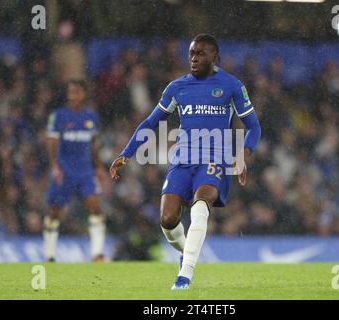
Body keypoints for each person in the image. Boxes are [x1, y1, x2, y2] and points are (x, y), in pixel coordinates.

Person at [109, 34, 261, 289]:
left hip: (214, 160)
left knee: (201, 206)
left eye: (200, 53)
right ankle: (185, 253)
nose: (194, 58)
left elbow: (253, 126)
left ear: (215, 57)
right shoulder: (177, 88)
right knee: (168, 220)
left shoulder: (232, 85)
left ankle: (185, 276)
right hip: (182, 160)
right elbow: (150, 123)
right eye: (191, 53)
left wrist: (243, 154)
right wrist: (126, 152)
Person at [44, 80, 106, 262]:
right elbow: (52, 142)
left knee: (95, 207)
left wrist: (98, 167)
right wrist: (54, 165)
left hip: (85, 171)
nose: (73, 95)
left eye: (77, 92)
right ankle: (49, 255)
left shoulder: (91, 117)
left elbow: (94, 144)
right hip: (64, 170)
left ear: (83, 94)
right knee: (55, 211)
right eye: (70, 92)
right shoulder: (58, 116)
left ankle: (97, 253)